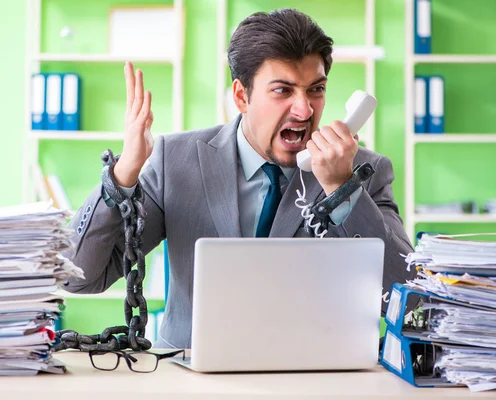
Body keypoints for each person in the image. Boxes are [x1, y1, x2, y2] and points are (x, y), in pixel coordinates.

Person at [64, 8, 414, 349]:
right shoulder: (177, 161)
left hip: (317, 378)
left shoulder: (364, 171)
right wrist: (123, 174)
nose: (305, 110)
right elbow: (79, 277)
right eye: (283, 90)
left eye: (316, 89)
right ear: (241, 96)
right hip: (192, 379)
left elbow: (410, 308)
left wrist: (342, 189)